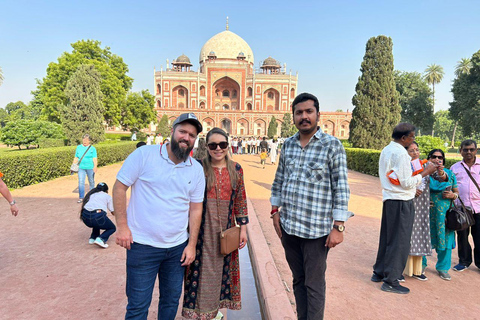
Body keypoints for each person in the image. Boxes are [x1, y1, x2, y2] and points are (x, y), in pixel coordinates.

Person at [113, 113, 205, 320]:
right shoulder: (145, 155)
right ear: (172, 131)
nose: (186, 138)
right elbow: (119, 188)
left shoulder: (196, 170)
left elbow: (196, 209)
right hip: (142, 245)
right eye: (183, 131)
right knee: (138, 305)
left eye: (192, 135)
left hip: (176, 249)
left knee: (171, 302)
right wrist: (122, 226)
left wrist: (191, 245)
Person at [271, 93, 352, 320]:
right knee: (298, 280)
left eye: (308, 112)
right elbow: (279, 180)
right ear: (293, 117)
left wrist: (339, 226)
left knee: (314, 285)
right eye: (299, 113)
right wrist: (274, 211)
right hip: (289, 228)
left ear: (318, 114)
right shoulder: (288, 145)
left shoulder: (331, 145)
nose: (304, 117)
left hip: (316, 231)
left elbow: (341, 187)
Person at [183, 127, 249, 320]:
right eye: (213, 145)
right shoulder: (198, 167)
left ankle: (216, 313)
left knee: (223, 274)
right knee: (200, 273)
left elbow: (241, 200)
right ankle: (200, 313)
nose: (218, 149)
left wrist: (242, 228)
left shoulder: (236, 169)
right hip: (202, 232)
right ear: (207, 146)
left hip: (226, 232)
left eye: (222, 144)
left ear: (228, 146)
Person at [372, 123, 437, 294]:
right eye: (412, 137)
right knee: (400, 241)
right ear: (403, 138)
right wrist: (425, 172)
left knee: (387, 237)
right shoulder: (401, 153)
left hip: (390, 199)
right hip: (401, 201)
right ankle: (391, 280)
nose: (413, 139)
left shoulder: (387, 149)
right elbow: (407, 183)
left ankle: (379, 272)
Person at [425, 149, 458, 280]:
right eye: (434, 157)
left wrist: (453, 195)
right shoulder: (423, 173)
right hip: (426, 214)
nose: (437, 159)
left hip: (444, 216)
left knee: (446, 239)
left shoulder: (449, 174)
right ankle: (420, 264)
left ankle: (443, 268)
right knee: (423, 238)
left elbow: (456, 191)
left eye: (440, 157)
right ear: (428, 158)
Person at [450, 139, 480, 272]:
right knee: (462, 236)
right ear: (461, 150)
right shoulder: (455, 168)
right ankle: (464, 261)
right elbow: (450, 187)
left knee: (479, 237)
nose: (468, 152)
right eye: (465, 149)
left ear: (476, 150)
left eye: (471, 149)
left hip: (478, 208)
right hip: (461, 209)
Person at [404, 141, 432, 281]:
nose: (415, 153)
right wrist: (412, 190)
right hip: (408, 202)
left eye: (417, 150)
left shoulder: (425, 165)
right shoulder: (404, 166)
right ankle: (402, 268)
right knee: (407, 234)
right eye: (411, 150)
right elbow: (401, 182)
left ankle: (417, 270)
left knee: (419, 233)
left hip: (422, 205)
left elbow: (438, 179)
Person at [80, 182, 116, 248]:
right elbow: (113, 211)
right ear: (107, 190)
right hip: (97, 216)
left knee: (96, 222)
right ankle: (101, 239)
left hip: (85, 217)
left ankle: (93, 238)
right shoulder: (107, 196)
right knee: (112, 228)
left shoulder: (91, 195)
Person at [72, 134, 97, 203]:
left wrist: (95, 166)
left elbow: (94, 158)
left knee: (91, 182)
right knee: (81, 182)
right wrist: (73, 166)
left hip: (90, 168)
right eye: (83, 139)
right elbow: (76, 157)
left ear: (89, 141)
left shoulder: (92, 148)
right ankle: (81, 197)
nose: (85, 141)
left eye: (86, 140)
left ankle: (91, 196)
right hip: (81, 168)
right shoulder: (79, 147)